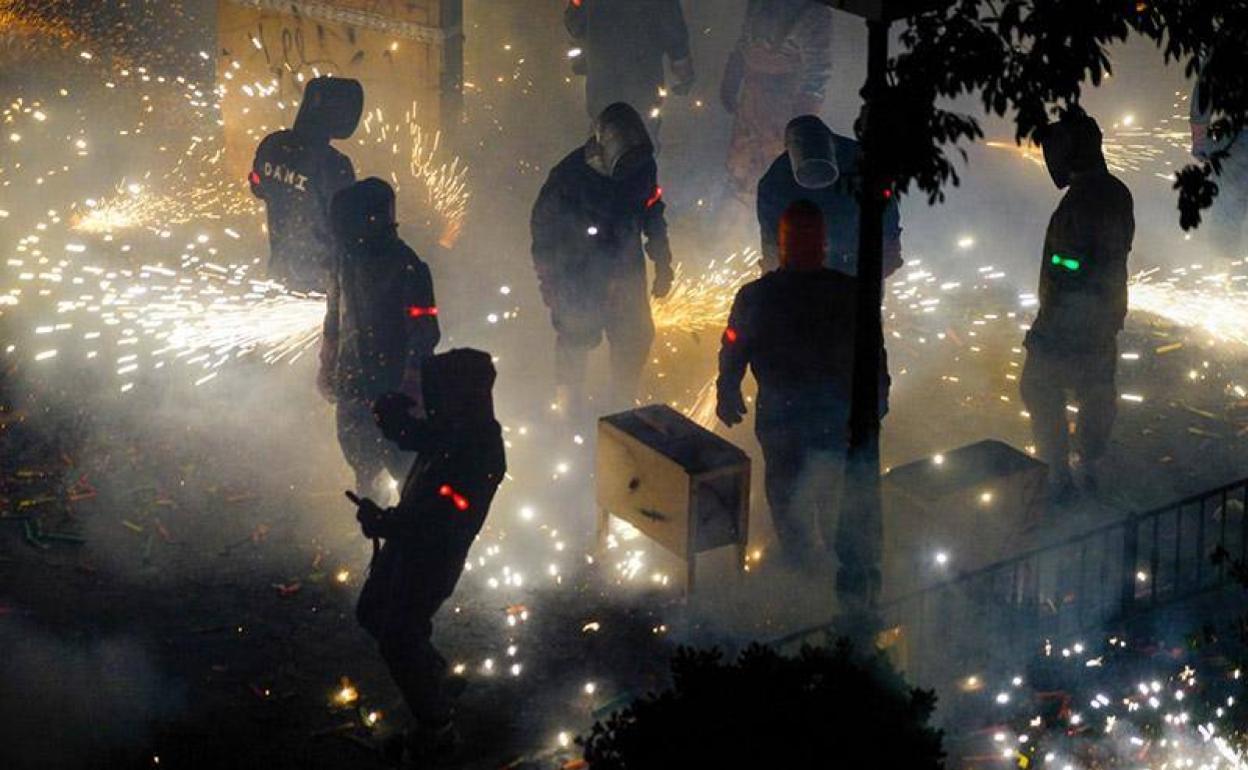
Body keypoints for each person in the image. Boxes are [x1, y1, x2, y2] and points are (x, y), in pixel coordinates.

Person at [349, 349, 506, 764]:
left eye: (439, 392)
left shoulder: (479, 450)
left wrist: (386, 524)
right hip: (407, 544)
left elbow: (439, 523)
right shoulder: (458, 429)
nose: (432, 401)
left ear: (462, 395)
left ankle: (437, 730)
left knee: (398, 637)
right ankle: (434, 679)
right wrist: (388, 413)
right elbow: (412, 435)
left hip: (432, 561)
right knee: (372, 612)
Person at [716, 200, 877, 571]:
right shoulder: (848, 292)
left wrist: (728, 387)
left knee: (796, 504)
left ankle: (808, 574)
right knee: (829, 502)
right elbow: (873, 355)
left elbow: (734, 344)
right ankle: (832, 580)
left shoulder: (757, 296)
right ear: (824, 244)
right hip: (827, 418)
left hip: (789, 418)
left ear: (780, 246)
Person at [530, 102, 675, 420]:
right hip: (579, 275)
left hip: (626, 271)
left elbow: (652, 210)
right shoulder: (566, 181)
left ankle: (620, 410)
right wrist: (552, 288)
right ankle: (568, 414)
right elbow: (544, 240)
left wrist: (663, 260)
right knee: (575, 338)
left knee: (634, 337)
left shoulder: (642, 166)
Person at [1020, 108, 1134, 502]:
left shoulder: (1081, 201)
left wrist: (1060, 267)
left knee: (1038, 387)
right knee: (1096, 392)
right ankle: (1090, 465)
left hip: (1068, 321)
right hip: (1105, 317)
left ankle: (1057, 473)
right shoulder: (1118, 191)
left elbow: (1071, 264)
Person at [318, 178, 440, 501]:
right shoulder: (345, 260)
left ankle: (406, 539)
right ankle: (374, 533)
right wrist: (327, 360)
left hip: (394, 388)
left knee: (408, 475)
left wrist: (412, 386)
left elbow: (424, 333)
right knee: (363, 467)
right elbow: (334, 312)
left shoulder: (407, 266)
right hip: (353, 385)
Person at [249, 76, 362, 292]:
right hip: (323, 281)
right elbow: (349, 225)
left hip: (279, 270)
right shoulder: (333, 164)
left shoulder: (272, 144)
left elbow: (257, 187)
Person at [757, 115, 903, 278]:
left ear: (831, 144)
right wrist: (774, 280)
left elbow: (886, 210)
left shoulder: (862, 162)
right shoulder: (775, 183)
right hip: (807, 265)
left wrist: (889, 245)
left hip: (858, 256)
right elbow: (772, 243)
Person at [721, 0, 833, 204]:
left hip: (782, 103)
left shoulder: (813, 13)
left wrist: (802, 120)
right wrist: (734, 71)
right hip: (753, 95)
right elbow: (746, 39)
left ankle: (772, 218)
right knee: (742, 162)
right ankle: (738, 214)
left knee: (774, 166)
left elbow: (817, 72)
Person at [564, 0, 694, 135]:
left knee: (603, 130)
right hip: (642, 72)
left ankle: (603, 151)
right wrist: (680, 60)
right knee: (642, 128)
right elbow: (670, 22)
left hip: (602, 76)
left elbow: (574, 24)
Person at [1191, 72, 1248, 262]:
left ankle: (1224, 268)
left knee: (1228, 205)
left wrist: (1200, 141)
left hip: (1235, 139)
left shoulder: (1228, 48)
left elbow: (1205, 90)